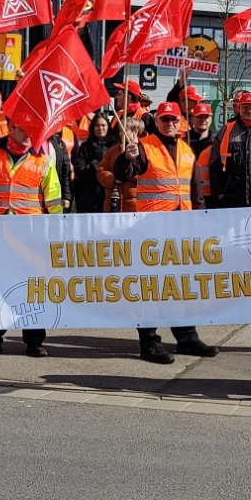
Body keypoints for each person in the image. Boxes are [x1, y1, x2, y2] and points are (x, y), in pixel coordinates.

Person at [116, 101, 219, 363]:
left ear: (180, 122)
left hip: (181, 227)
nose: (170, 124)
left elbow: (196, 188)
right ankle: (149, 342)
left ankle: (186, 338)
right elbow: (124, 172)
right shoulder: (144, 145)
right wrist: (126, 156)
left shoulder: (185, 149)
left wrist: (200, 218)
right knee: (151, 287)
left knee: (181, 286)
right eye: (165, 120)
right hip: (151, 228)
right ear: (157, 121)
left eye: (174, 120)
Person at [0, 125, 63, 356]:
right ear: (12, 129)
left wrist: (58, 231)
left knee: (33, 288)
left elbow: (53, 198)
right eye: (23, 130)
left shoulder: (43, 159)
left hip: (31, 234)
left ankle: (34, 341)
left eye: (31, 132)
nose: (28, 135)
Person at [71, 108, 116, 213]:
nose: (100, 128)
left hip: (107, 193)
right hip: (87, 194)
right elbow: (79, 168)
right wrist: (93, 167)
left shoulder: (114, 146)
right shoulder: (85, 147)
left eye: (103, 125)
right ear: (92, 127)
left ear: (108, 127)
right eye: (97, 125)